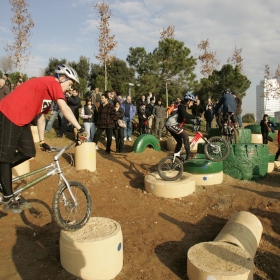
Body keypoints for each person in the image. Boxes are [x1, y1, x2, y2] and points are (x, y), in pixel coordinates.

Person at [0, 64, 85, 212]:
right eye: (69, 84)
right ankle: (8, 197)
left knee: (28, 151)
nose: (69, 89)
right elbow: (64, 108)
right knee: (5, 157)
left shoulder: (48, 92)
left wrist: (42, 141)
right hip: (8, 114)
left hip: (22, 121)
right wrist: (79, 127)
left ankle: (2, 175)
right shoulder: (52, 82)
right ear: (62, 78)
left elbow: (40, 117)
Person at [165, 93, 197, 160]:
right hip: (171, 124)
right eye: (192, 102)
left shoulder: (182, 106)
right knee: (185, 136)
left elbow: (183, 119)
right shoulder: (182, 106)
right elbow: (185, 115)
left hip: (170, 124)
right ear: (188, 101)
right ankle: (189, 154)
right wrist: (194, 117)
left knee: (179, 141)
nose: (192, 104)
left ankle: (175, 157)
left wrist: (192, 122)